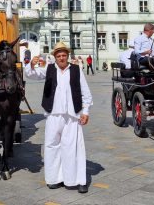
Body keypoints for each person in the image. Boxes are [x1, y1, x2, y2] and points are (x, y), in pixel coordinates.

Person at [24, 41, 93, 194]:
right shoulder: (48, 69)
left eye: (64, 55)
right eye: (59, 55)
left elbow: (85, 93)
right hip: (53, 114)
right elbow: (30, 75)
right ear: (55, 57)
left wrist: (86, 112)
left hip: (72, 115)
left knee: (73, 148)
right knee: (51, 146)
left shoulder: (76, 70)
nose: (62, 58)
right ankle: (54, 179)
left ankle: (77, 180)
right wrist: (31, 65)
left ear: (67, 56)